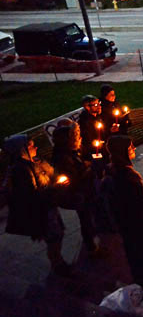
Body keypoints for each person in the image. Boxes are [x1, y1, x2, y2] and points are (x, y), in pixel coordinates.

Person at [106, 135, 143, 297]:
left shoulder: (113, 170)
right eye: (130, 147)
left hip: (125, 223)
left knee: (134, 254)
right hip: (137, 223)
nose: (133, 149)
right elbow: (141, 200)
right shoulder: (127, 175)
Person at [4, 135, 71, 276]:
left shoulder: (35, 161)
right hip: (41, 210)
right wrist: (55, 187)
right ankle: (57, 264)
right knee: (53, 236)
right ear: (21, 150)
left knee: (58, 233)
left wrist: (56, 178)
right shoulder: (21, 170)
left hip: (49, 204)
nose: (35, 148)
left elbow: (50, 174)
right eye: (31, 146)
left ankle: (58, 260)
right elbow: (32, 195)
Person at [51, 124, 103, 256]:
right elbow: (74, 178)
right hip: (78, 195)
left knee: (90, 215)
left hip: (86, 190)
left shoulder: (75, 149)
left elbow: (84, 160)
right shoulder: (62, 157)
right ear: (67, 139)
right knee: (85, 218)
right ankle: (91, 247)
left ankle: (93, 232)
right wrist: (91, 167)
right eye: (75, 134)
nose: (79, 136)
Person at [77, 95, 105, 161]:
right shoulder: (85, 122)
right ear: (87, 107)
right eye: (95, 105)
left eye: (99, 103)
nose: (99, 106)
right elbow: (87, 141)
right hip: (93, 153)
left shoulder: (98, 117)